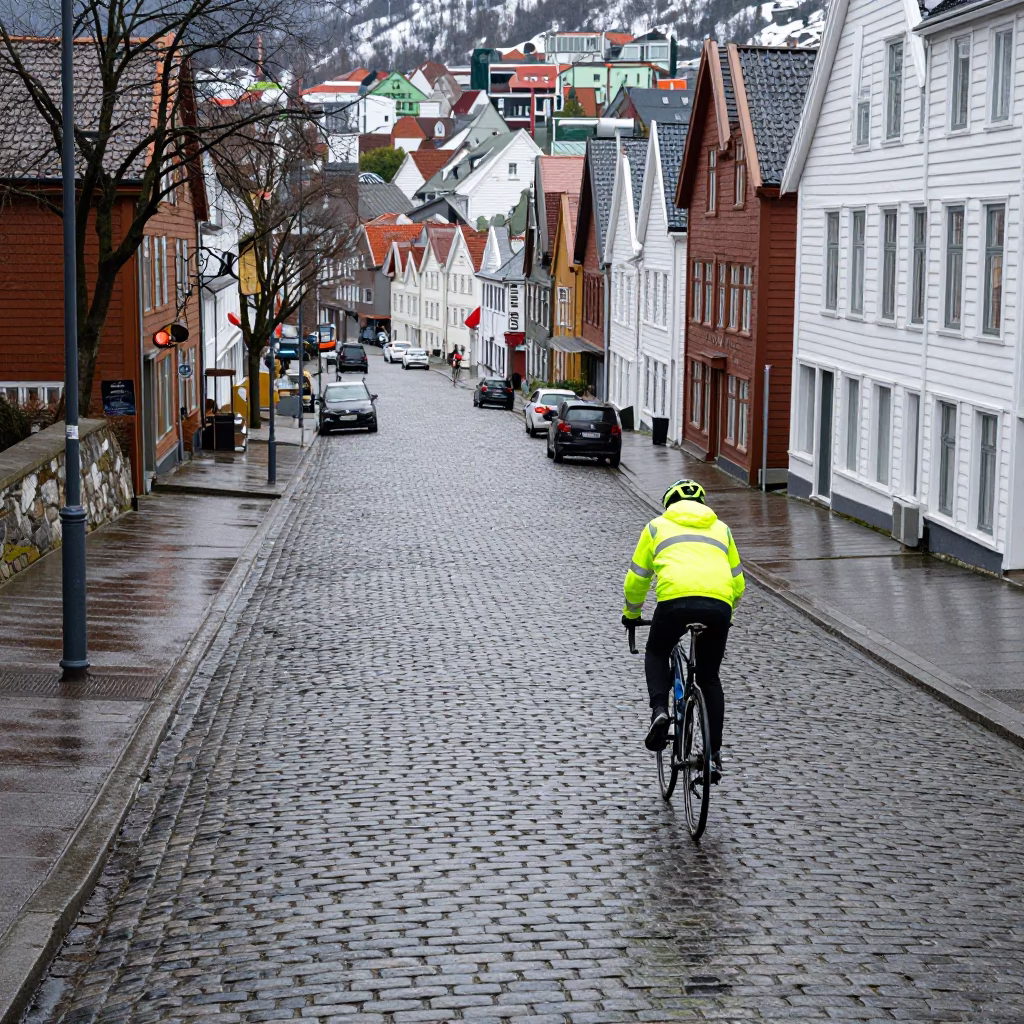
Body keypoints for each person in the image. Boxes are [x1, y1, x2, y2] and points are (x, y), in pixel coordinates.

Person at [621, 479, 745, 782]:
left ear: (669, 504)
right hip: (718, 605)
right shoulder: (722, 529)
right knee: (709, 677)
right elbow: (738, 584)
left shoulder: (656, 527)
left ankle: (660, 711)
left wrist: (631, 614)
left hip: (674, 603)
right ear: (702, 503)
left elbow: (638, 579)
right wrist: (725, 614)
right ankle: (713, 757)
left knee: (657, 650)